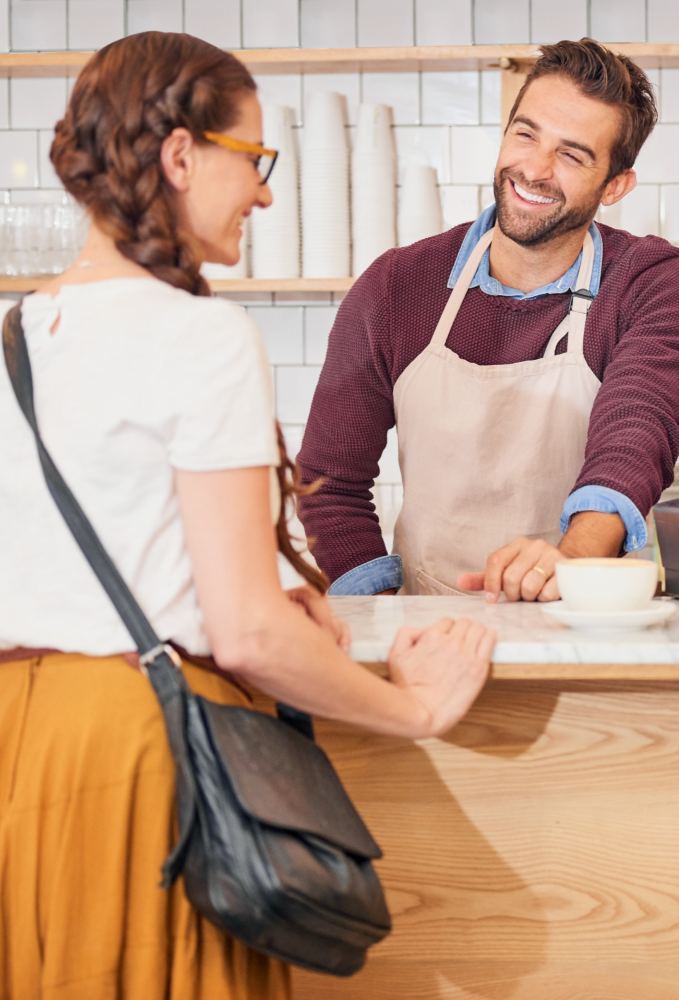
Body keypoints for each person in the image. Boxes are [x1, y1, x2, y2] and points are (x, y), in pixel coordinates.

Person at [0, 32, 494, 999]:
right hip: (141, 762)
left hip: (25, 746)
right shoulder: (202, 335)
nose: (265, 192)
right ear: (181, 156)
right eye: (254, 160)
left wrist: (257, 583)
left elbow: (82, 544)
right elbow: (248, 635)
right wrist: (416, 708)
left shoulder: (19, 335)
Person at [298, 38, 679, 603]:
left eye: (572, 154)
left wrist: (572, 560)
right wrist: (385, 615)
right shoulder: (396, 285)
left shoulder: (649, 278)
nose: (534, 168)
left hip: (583, 622)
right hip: (424, 630)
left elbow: (638, 433)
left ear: (615, 185)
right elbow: (328, 484)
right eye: (526, 134)